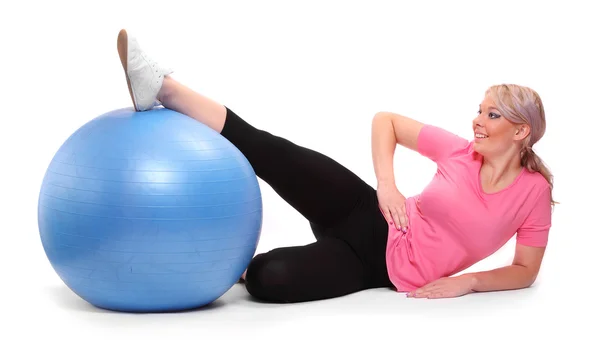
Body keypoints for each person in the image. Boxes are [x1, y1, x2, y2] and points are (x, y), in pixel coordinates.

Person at [116, 29, 555, 303]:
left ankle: (208, 266)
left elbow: (525, 270)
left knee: (271, 279)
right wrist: (387, 185)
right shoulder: (460, 150)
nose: (477, 120)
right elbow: (387, 121)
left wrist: (470, 283)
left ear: (521, 133)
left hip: (372, 267)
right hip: (365, 210)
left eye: (492, 115)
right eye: (479, 109)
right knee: (271, 151)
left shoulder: (533, 194)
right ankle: (163, 87)